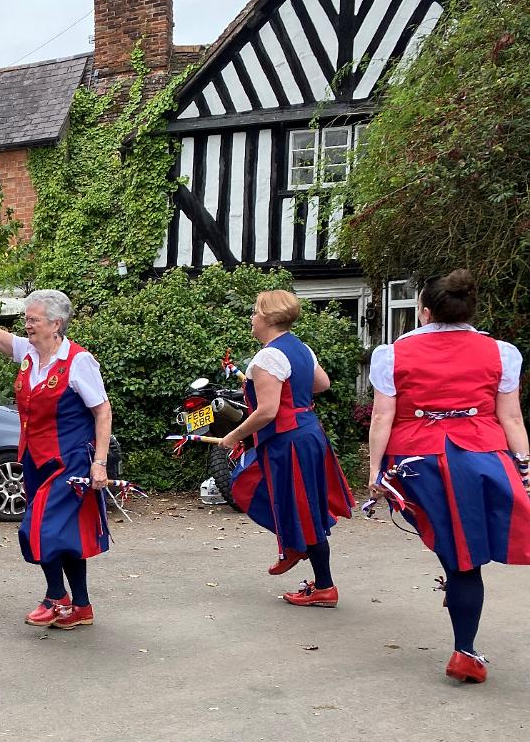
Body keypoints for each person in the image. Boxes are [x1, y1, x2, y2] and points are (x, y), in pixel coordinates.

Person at [367, 269, 530, 684]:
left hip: (415, 462)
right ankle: (464, 650)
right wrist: (524, 467)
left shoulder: (393, 353)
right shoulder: (500, 352)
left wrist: (375, 473)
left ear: (424, 311)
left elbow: (383, 417)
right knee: (464, 558)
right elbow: (510, 416)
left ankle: (461, 623)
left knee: (456, 553)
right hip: (480, 457)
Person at [0, 272, 112, 630]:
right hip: (34, 459)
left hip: (69, 462)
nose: (27, 325)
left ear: (56, 323)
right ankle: (80, 606)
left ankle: (55, 597)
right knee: (65, 536)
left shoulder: (78, 361)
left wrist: (100, 462)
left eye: (33, 319)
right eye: (26, 319)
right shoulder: (28, 354)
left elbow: (102, 411)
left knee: (37, 528)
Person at [218, 290, 353, 607]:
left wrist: (234, 436)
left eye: (254, 312)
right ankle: (299, 548)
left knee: (248, 486)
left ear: (266, 318)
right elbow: (322, 384)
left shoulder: (268, 356)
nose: (251, 318)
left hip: (287, 440)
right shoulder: (300, 348)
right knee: (302, 505)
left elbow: (267, 411)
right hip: (307, 434)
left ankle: (316, 573)